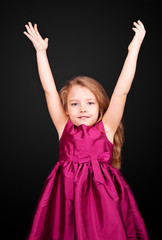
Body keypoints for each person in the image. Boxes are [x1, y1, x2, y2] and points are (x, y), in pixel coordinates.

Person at [24, 20, 149, 240]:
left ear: (101, 107)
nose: (82, 109)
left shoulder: (107, 127)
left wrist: (134, 48)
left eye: (90, 103)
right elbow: (49, 90)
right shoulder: (64, 127)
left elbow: (122, 91)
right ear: (66, 109)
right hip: (66, 198)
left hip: (103, 201)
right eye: (74, 104)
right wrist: (41, 53)